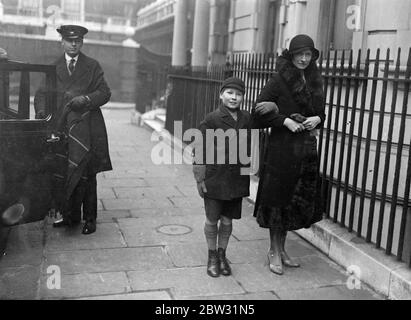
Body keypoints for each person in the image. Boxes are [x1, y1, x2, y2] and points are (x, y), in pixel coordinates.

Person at [252, 34, 325, 275]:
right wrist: (283, 120)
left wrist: (319, 119)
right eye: (300, 54)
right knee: (277, 201)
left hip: (304, 149)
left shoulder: (315, 80)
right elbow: (257, 112)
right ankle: (273, 250)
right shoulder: (278, 79)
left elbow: (319, 113)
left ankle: (282, 250)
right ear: (291, 55)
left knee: (291, 203)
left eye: (308, 55)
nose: (304, 59)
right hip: (282, 149)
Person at [34, 24, 112, 234]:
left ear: (82, 42)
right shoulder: (54, 67)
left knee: (87, 173)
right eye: (69, 40)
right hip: (62, 127)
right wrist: (42, 114)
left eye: (77, 40)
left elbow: (104, 92)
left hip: (88, 128)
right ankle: (69, 216)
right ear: (62, 42)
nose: (73, 44)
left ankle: (90, 219)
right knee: (65, 170)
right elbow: (41, 94)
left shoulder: (92, 66)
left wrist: (86, 99)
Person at [193, 77, 251, 277]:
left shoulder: (246, 118)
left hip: (236, 180)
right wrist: (200, 179)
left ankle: (222, 255)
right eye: (230, 93)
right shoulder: (212, 119)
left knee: (227, 220)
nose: (234, 98)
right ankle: (211, 256)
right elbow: (199, 150)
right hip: (215, 179)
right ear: (221, 95)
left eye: (238, 94)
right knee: (212, 219)